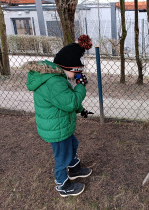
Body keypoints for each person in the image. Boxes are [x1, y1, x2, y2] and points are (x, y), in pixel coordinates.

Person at [26, 35, 93, 197]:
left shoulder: (58, 78)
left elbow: (67, 102)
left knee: (72, 145)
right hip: (56, 128)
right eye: (76, 71)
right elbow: (70, 102)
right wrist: (81, 86)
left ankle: (74, 168)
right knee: (62, 156)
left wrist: (81, 110)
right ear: (67, 67)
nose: (78, 74)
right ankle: (63, 184)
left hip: (60, 124)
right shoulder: (54, 83)